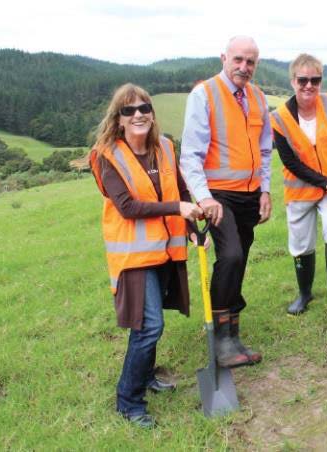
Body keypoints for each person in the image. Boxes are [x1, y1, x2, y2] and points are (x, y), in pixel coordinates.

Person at [90, 83, 203, 428]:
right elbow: (127, 207)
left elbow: (181, 190)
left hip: (164, 251)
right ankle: (128, 401)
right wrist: (178, 208)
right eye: (129, 110)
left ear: (152, 114)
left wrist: (193, 228)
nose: (138, 114)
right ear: (119, 119)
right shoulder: (106, 155)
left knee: (150, 324)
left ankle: (147, 376)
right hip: (134, 257)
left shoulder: (165, 147)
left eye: (144, 108)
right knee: (149, 326)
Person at [180, 36, 271, 369]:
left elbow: (264, 150)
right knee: (230, 255)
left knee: (241, 258)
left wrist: (265, 190)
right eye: (238, 60)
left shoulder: (259, 98)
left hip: (249, 194)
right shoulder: (203, 94)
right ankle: (222, 341)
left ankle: (232, 332)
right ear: (223, 58)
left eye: (250, 62)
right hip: (218, 196)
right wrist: (203, 197)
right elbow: (189, 154)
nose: (243, 67)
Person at [271, 53, 327, 315]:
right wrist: (324, 181)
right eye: (303, 80)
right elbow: (290, 162)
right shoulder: (279, 117)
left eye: (315, 80)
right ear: (293, 81)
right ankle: (304, 294)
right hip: (300, 191)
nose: (309, 85)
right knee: (301, 244)